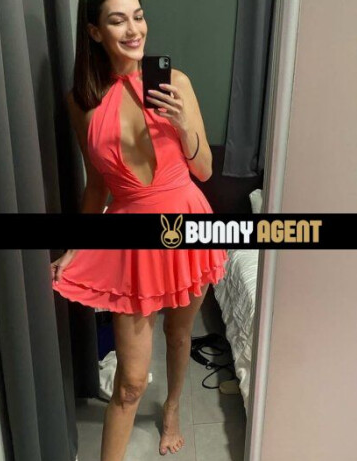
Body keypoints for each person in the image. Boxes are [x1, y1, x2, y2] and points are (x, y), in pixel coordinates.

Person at [49, 0, 229, 458]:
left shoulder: (175, 83)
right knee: (130, 381)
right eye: (117, 19)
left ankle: (172, 409)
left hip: (186, 223)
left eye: (138, 15)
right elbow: (96, 187)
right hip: (132, 239)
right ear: (95, 32)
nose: (134, 29)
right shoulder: (81, 103)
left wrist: (183, 124)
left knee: (179, 334)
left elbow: (205, 171)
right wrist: (76, 246)